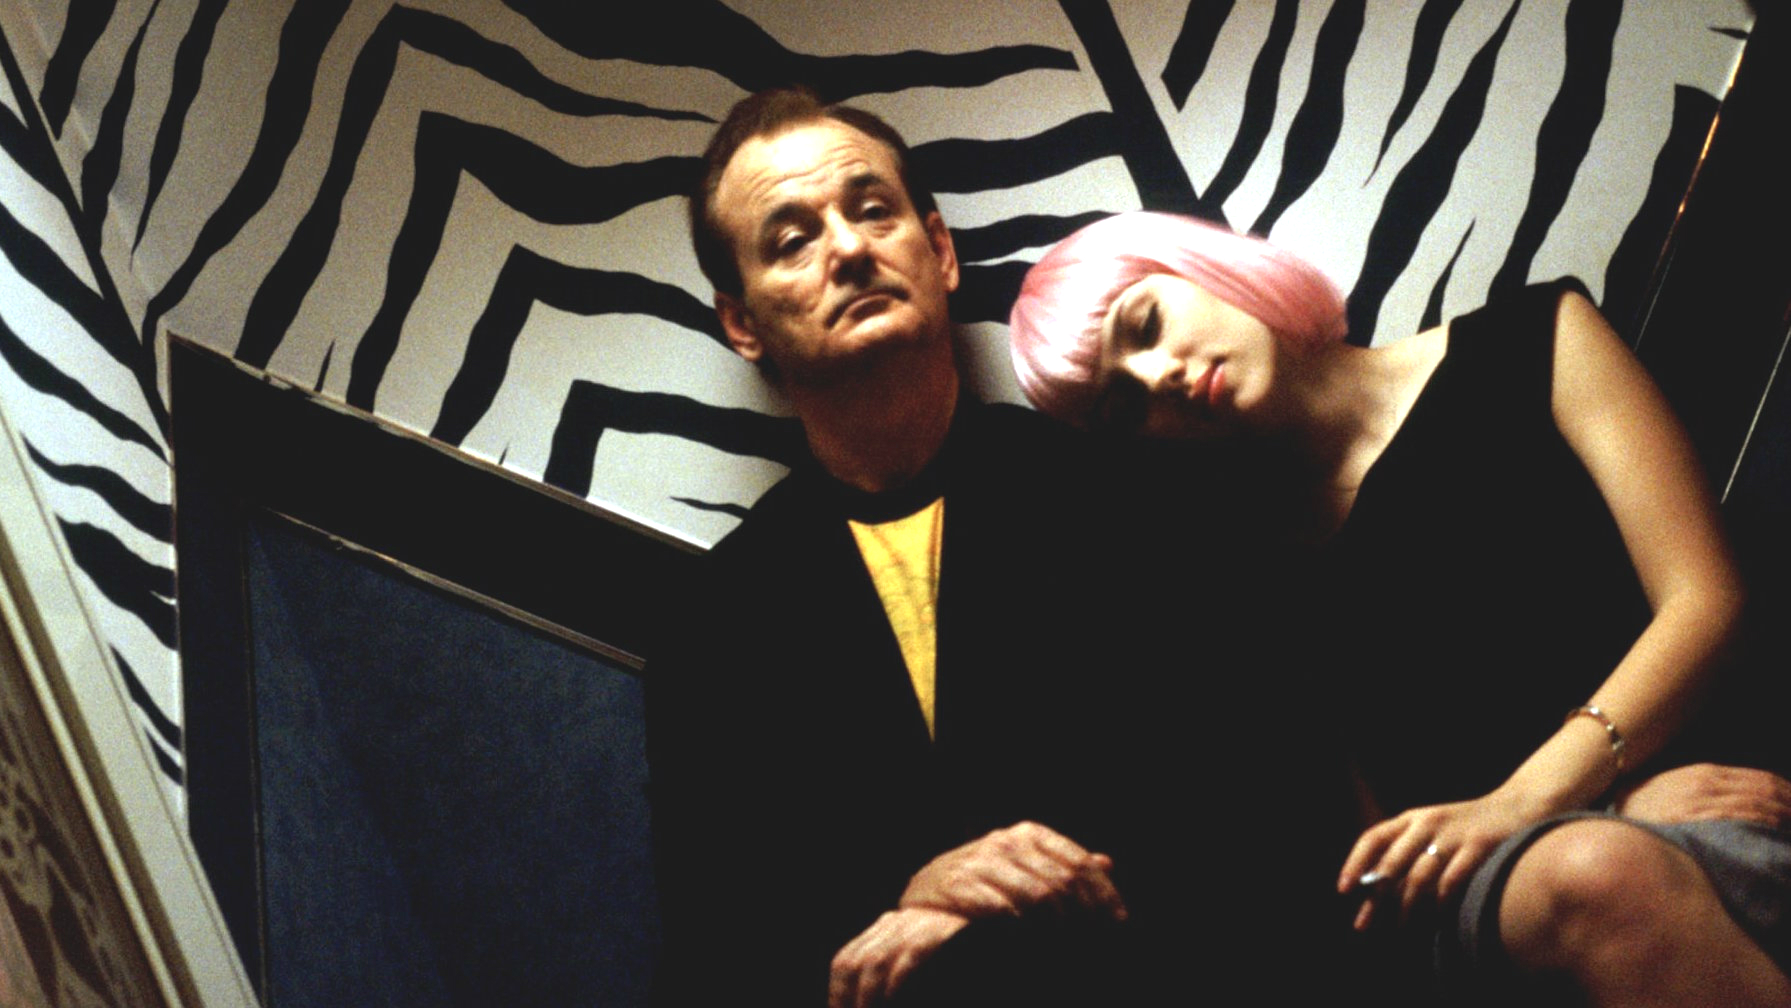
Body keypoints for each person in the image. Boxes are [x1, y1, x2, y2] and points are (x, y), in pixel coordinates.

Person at [650, 91, 1331, 1008]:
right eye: (792, 241)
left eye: (871, 209)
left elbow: (1268, 791)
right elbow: (717, 947)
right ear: (740, 323)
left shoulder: (1132, 489)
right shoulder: (714, 624)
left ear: (938, 251)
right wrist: (908, 895)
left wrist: (983, 910)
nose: (847, 248)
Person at [1007, 210, 1791, 1005]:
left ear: (1201, 267)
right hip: (1492, 882)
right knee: (1597, 870)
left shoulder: (1537, 340)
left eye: (1145, 324)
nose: (1159, 377)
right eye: (1124, 404)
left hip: (1709, 780)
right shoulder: (1229, 563)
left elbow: (1707, 600)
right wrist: (1588, 812)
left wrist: (1552, 799)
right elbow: (1363, 837)